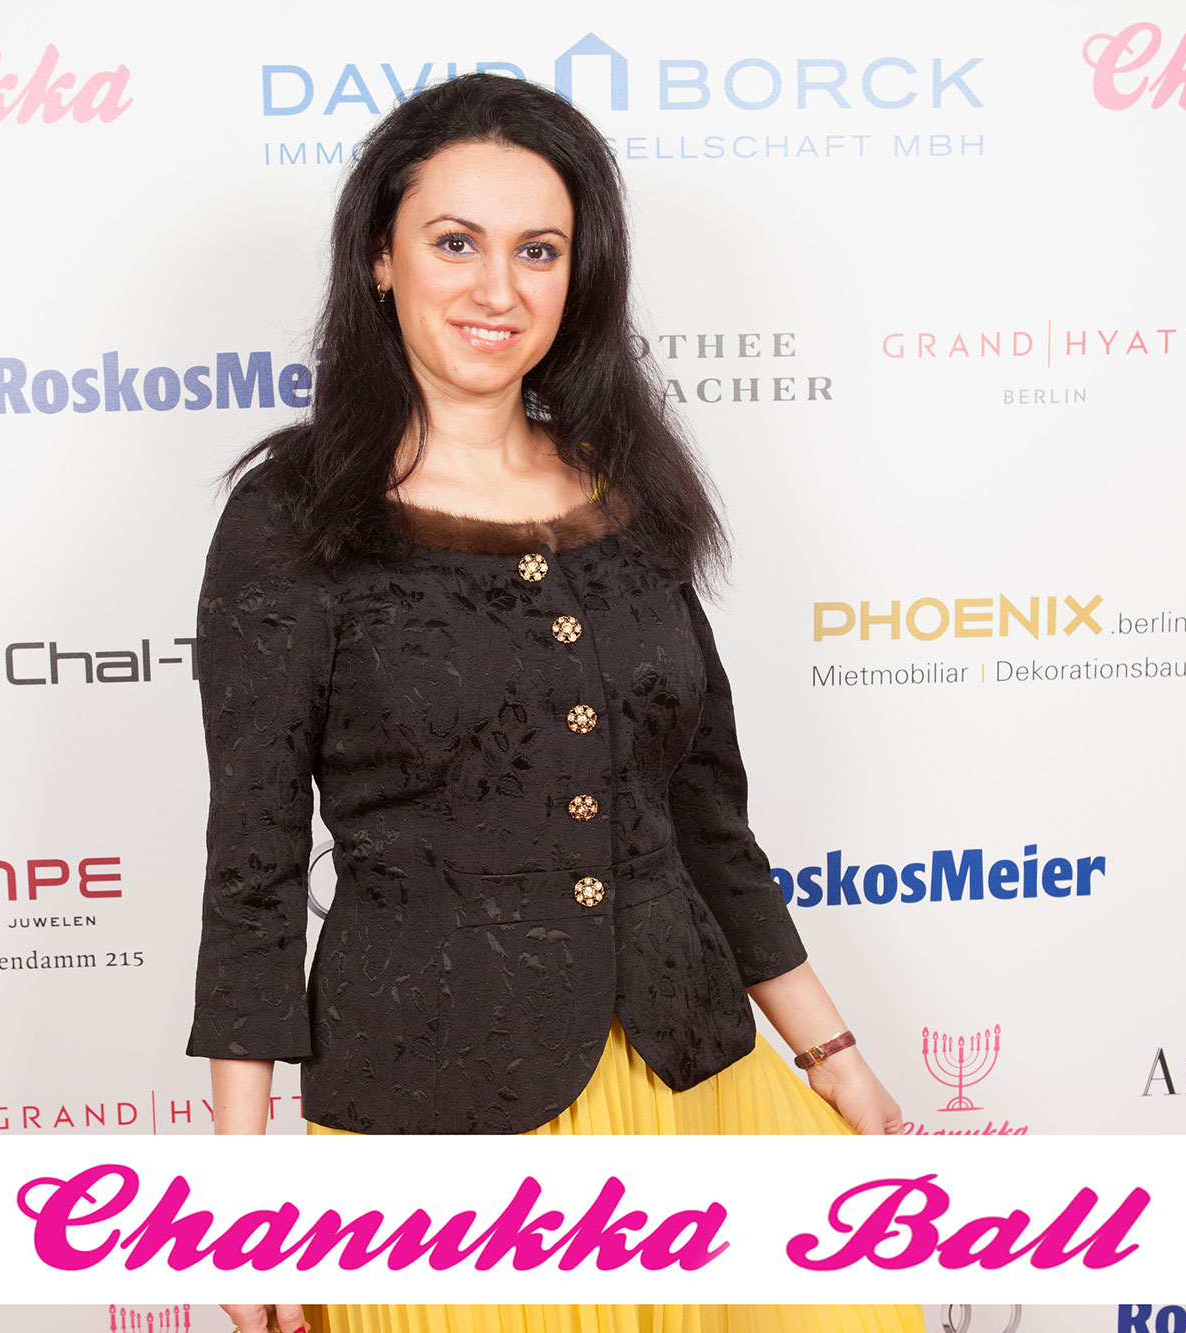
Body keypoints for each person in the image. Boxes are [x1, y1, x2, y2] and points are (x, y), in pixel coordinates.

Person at [185, 72, 919, 1333]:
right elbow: (250, 870)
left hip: (696, 1087)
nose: (497, 289)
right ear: (379, 259)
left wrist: (833, 1056)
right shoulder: (290, 517)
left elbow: (706, 819)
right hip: (439, 1127)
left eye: (538, 250)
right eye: (453, 243)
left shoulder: (630, 490)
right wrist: (240, 1201)